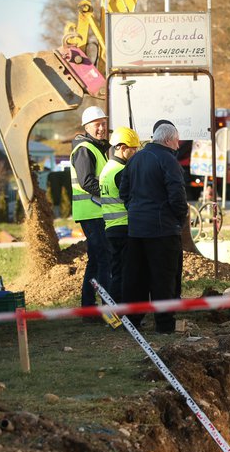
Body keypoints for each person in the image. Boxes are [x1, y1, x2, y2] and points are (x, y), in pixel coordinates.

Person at [119, 121, 188, 334]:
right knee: (164, 279)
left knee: (135, 278)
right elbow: (177, 195)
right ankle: (165, 323)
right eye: (177, 141)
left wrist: (136, 211)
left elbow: (124, 191)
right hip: (163, 231)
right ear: (168, 140)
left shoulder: (136, 158)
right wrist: (179, 218)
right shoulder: (168, 160)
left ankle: (132, 320)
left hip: (137, 229)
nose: (178, 146)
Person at [71, 106, 111, 316]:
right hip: (92, 213)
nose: (102, 128)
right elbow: (87, 182)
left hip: (94, 212)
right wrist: (110, 194)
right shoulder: (85, 149)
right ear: (87, 127)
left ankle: (88, 307)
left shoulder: (95, 148)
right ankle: (107, 308)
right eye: (97, 125)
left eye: (104, 123)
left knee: (96, 261)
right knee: (104, 259)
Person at [98, 126, 140, 303]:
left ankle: (115, 312)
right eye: (133, 149)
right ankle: (124, 314)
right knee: (126, 274)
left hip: (111, 228)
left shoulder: (108, 168)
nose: (136, 152)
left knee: (117, 273)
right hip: (124, 227)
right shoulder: (120, 172)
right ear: (122, 148)